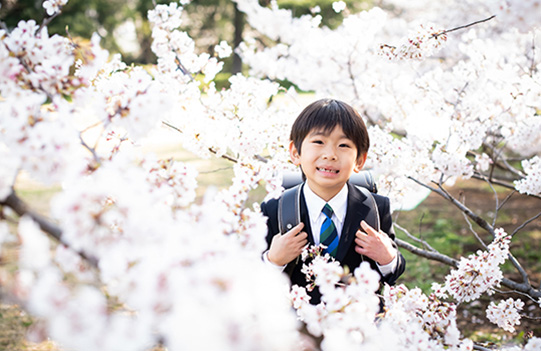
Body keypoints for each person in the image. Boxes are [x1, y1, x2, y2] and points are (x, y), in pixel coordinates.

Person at [261, 98, 405, 304]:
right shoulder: (275, 209)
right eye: (318, 142)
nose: (330, 155)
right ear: (295, 152)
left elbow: (392, 273)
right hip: (298, 327)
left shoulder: (375, 207)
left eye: (343, 145)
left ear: (360, 161)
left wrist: (387, 257)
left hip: (356, 323)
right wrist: (274, 260)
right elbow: (256, 278)